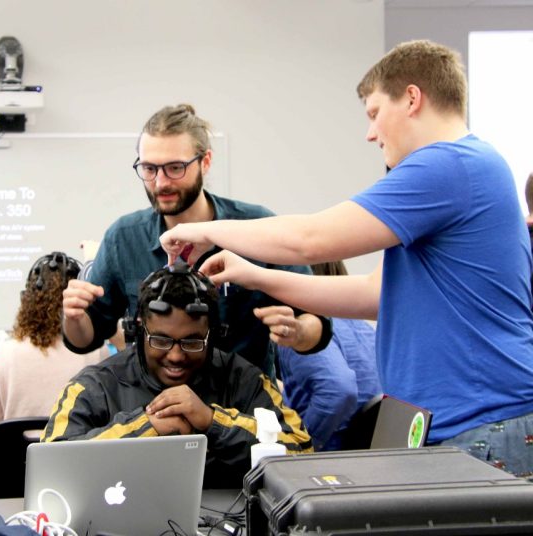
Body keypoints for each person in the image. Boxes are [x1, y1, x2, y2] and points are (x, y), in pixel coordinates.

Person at [160, 40, 533, 476]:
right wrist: (256, 274)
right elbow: (372, 294)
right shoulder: (468, 168)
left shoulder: (450, 165)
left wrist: (204, 228)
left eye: (374, 113)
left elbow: (311, 239)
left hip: (483, 425)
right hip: (461, 426)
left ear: (412, 98)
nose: (370, 133)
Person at [62, 104, 331, 380]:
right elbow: (86, 337)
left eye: (175, 168)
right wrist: (74, 317)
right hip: (152, 413)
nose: (161, 182)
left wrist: (298, 332)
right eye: (149, 168)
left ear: (206, 161)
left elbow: (318, 323)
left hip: (243, 411)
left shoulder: (256, 226)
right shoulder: (124, 237)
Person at [44, 262, 312, 489]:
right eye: (160, 340)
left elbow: (301, 452)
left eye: (192, 342)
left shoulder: (244, 380)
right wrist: (146, 427)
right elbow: (51, 465)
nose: (175, 356)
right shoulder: (96, 385)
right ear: (138, 330)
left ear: (213, 335)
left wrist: (212, 421)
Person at [0, 252, 108, 430]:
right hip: (73, 455)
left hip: (20, 456)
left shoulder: (7, 352)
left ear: (27, 298)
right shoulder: (96, 351)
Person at [276, 261, 382, 451]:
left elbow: (338, 390)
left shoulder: (300, 334)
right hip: (373, 455)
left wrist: (302, 448)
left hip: (332, 459)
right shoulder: (361, 326)